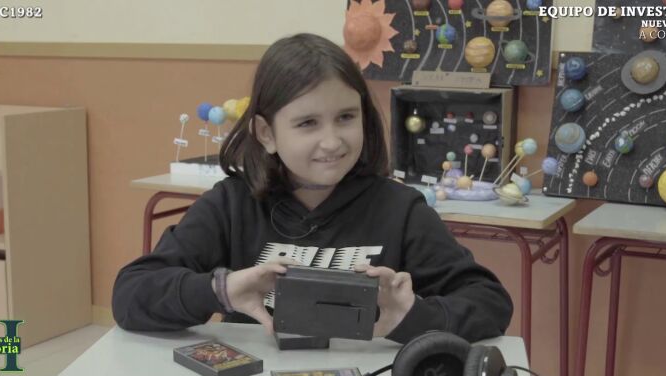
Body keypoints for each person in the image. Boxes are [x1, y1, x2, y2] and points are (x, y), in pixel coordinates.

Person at [112, 33, 512, 344]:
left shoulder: (401, 210)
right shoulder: (231, 205)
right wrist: (221, 290)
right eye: (307, 123)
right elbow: (131, 295)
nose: (332, 141)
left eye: (346, 117)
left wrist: (415, 316)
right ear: (266, 133)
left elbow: (489, 302)